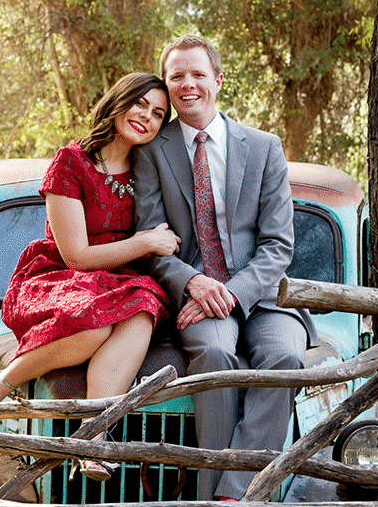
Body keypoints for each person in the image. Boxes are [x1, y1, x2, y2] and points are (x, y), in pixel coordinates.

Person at [0, 72, 180, 482]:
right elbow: (78, 256)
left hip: (124, 283)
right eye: (141, 104)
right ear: (119, 101)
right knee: (94, 327)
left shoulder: (147, 168)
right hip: (62, 277)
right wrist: (146, 242)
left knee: (144, 311)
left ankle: (93, 438)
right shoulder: (72, 162)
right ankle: (1, 384)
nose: (147, 117)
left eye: (158, 114)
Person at [133, 35, 317, 501]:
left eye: (197, 74)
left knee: (285, 359)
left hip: (263, 297)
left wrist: (231, 292)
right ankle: (218, 495)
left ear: (218, 80)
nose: (187, 84)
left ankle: (231, 493)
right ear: (168, 85)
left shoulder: (263, 147)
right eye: (177, 76)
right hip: (196, 298)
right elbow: (150, 243)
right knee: (214, 358)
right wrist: (192, 281)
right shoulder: (152, 150)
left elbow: (278, 244)